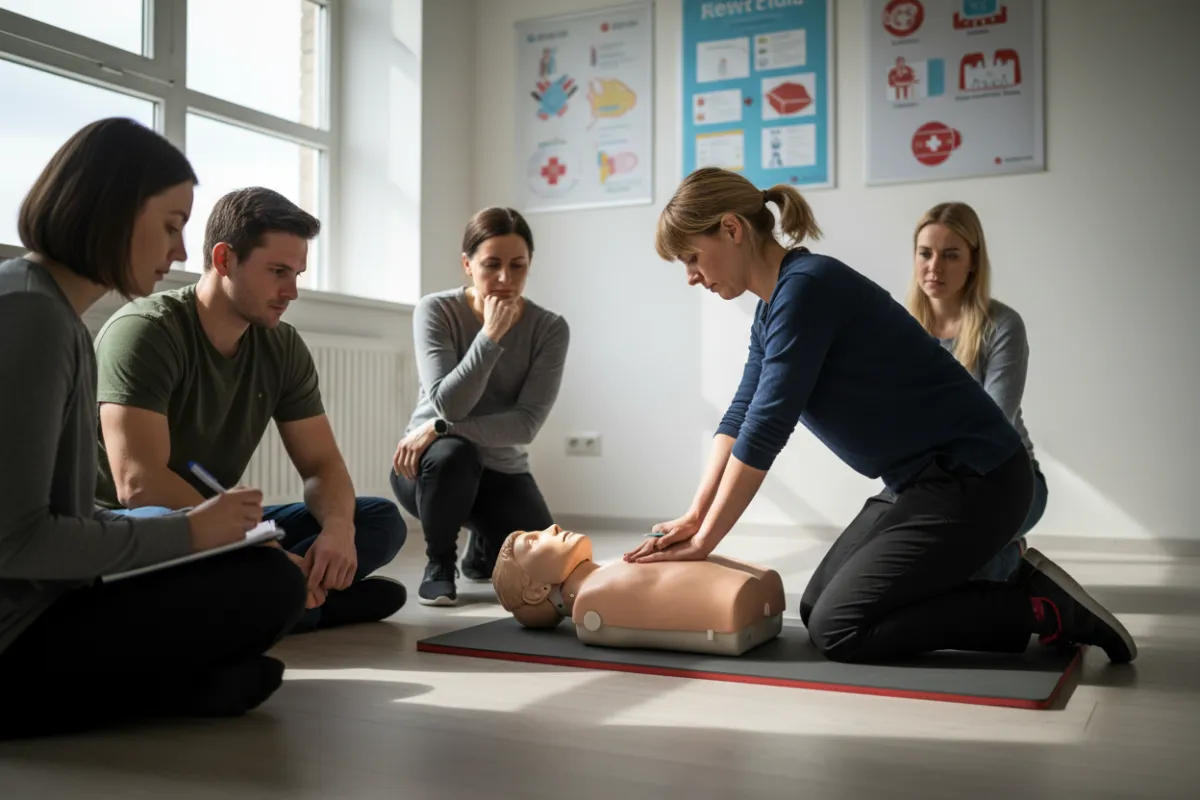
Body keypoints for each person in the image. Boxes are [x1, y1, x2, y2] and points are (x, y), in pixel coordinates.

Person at [623, 167, 1137, 666]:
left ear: (732, 229)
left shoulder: (808, 288)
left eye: (692, 257)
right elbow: (740, 414)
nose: (692, 276)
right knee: (816, 607)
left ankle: (1037, 609)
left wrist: (708, 541)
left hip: (979, 480)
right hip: (921, 484)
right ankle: (1014, 584)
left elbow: (767, 427)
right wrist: (695, 516)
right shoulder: (774, 307)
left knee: (839, 628)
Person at [0, 118, 307, 739]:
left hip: (46, 595)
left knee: (259, 577)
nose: (179, 251)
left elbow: (65, 520)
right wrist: (190, 533)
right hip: (16, 630)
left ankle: (170, 683)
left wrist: (194, 531)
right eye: (170, 225)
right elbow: (19, 543)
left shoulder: (51, 312)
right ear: (110, 211)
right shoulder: (34, 317)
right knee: (267, 585)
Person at [92, 187, 408, 633]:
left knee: (376, 518)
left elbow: (321, 464)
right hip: (131, 527)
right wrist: (257, 545)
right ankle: (303, 601)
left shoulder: (282, 346)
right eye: (278, 271)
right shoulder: (144, 333)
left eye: (297, 273)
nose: (292, 291)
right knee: (167, 527)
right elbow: (138, 485)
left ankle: (284, 598)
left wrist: (338, 531)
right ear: (224, 260)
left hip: (223, 524)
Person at [390, 207, 569, 606]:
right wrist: (490, 336)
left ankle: (484, 547)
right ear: (467, 265)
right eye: (491, 265)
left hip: (497, 468)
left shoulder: (550, 328)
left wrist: (440, 427)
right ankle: (439, 564)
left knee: (552, 563)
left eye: (517, 266)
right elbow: (449, 404)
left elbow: (525, 425)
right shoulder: (436, 310)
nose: (505, 279)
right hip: (426, 467)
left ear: (529, 265)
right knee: (454, 454)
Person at [906, 201, 1048, 582]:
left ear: (973, 261)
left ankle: (1016, 559)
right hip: (935, 482)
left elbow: (994, 428)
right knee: (905, 568)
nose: (934, 267)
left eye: (950, 255)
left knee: (963, 570)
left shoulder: (1002, 325)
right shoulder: (900, 327)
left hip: (1010, 479)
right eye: (925, 253)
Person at [493, 525, 785, 656]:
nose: (553, 527)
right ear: (535, 591)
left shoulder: (606, 574)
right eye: (533, 542)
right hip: (736, 598)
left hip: (745, 590)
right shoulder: (593, 600)